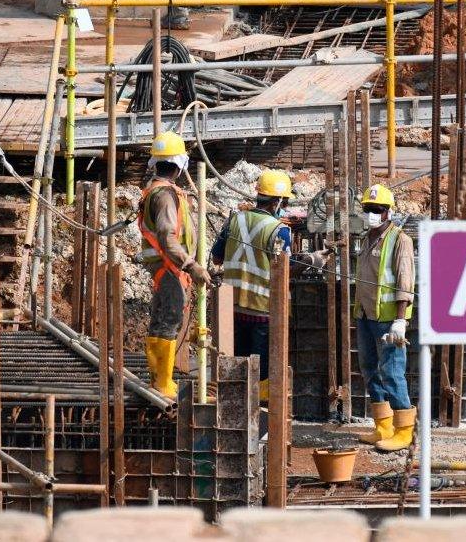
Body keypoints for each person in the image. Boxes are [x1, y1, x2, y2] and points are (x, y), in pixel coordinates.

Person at [210, 169, 332, 401]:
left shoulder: (234, 220)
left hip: (232, 309)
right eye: (283, 202)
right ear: (277, 201)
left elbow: (217, 258)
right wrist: (313, 260)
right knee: (263, 373)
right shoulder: (279, 230)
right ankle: (263, 420)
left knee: (238, 369)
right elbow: (283, 269)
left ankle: (238, 411)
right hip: (263, 312)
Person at [138, 131, 211, 399]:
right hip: (170, 267)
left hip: (167, 267)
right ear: (180, 165)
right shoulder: (165, 195)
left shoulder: (157, 191)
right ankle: (163, 383)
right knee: (168, 321)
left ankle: (160, 380)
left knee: (162, 321)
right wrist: (191, 266)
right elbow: (168, 237)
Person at [353, 184, 416, 452]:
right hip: (366, 316)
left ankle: (404, 430)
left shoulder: (400, 239)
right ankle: (383, 426)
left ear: (388, 212)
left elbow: (404, 282)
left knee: (391, 372)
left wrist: (400, 321)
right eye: (368, 209)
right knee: (369, 370)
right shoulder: (367, 238)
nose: (371, 214)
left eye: (376, 210)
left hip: (389, 319)